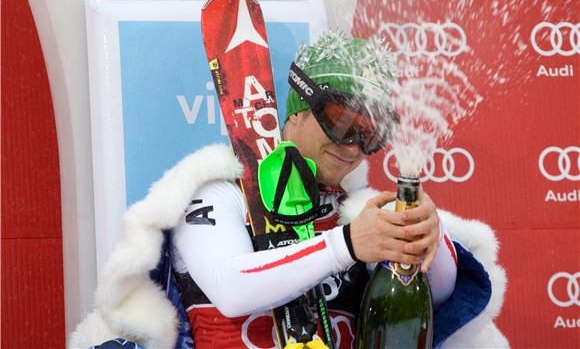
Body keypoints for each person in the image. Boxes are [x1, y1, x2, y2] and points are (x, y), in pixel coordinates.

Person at [70, 31, 508, 349]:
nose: (353, 146)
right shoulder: (220, 193)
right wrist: (348, 244)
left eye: (372, 134)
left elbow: (443, 299)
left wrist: (427, 236)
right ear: (299, 107)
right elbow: (231, 287)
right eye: (340, 120)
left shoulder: (357, 212)